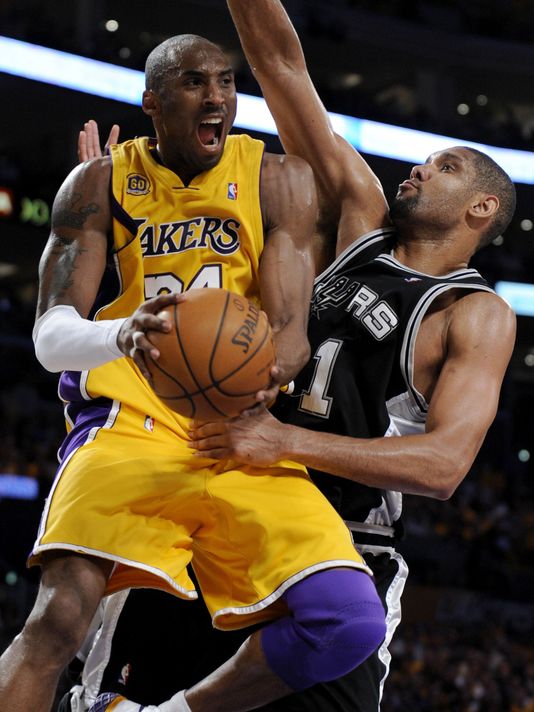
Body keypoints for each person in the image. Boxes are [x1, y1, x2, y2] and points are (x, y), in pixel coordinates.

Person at [87, 2, 517, 711]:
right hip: (229, 500)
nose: (418, 167)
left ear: (481, 211)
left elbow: (442, 468)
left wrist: (284, 440)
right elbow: (282, 66)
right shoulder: (360, 219)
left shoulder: (472, 313)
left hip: (343, 539)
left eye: (444, 167)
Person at [0, 33, 388, 712]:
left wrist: (264, 370)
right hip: (129, 427)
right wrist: (121, 332)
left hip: (235, 432)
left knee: (347, 619)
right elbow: (51, 338)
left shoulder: (277, 178)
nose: (216, 97)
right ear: (151, 100)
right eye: (193, 83)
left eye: (225, 82)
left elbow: (293, 336)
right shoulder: (97, 184)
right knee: (59, 621)